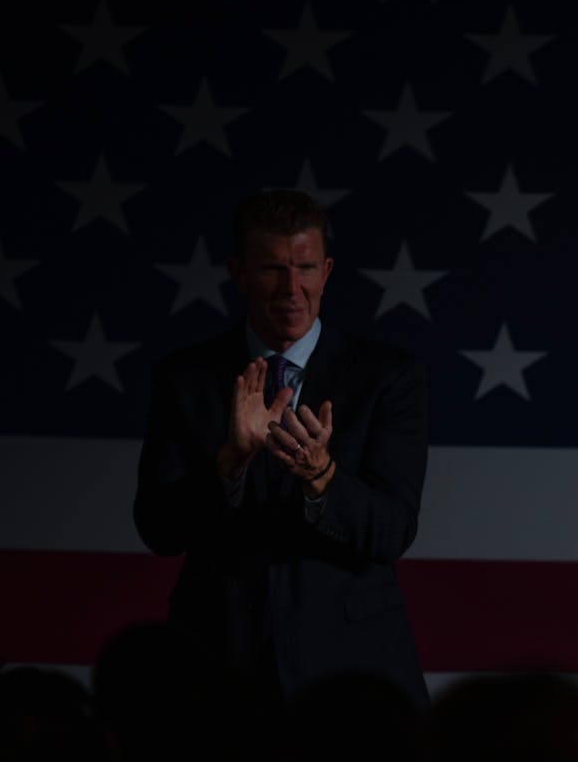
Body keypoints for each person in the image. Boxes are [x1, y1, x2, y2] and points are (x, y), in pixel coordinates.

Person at [133, 189, 430, 706]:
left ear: (327, 270)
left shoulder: (386, 378)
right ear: (238, 272)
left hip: (351, 669)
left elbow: (392, 530)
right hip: (217, 667)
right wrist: (230, 464)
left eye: (307, 268)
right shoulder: (186, 378)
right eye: (272, 269)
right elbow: (158, 528)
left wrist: (322, 476)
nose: (292, 289)